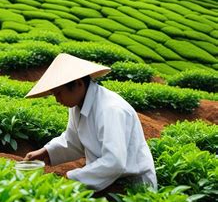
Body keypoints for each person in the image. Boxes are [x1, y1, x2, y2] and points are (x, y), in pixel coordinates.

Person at [24, 53, 157, 192]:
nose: (57, 99)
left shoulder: (111, 109)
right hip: (108, 180)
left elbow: (114, 162)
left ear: (78, 84)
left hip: (133, 185)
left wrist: (71, 177)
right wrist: (45, 152)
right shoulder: (77, 105)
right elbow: (73, 140)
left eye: (58, 93)